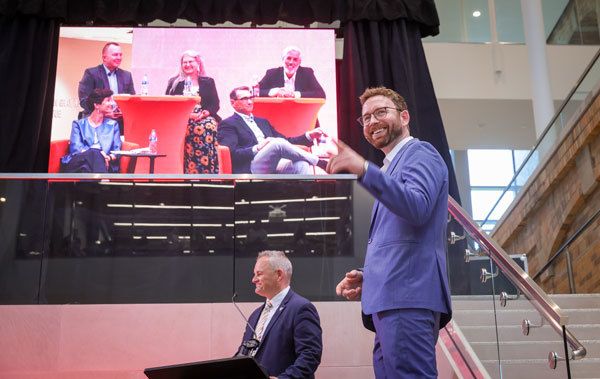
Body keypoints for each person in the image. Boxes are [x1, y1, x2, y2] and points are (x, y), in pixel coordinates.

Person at [328, 87, 452, 378]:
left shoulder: (420, 153)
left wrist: (363, 169)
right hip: (390, 301)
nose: (372, 121)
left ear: (404, 116)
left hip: (407, 298)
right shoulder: (390, 169)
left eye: (381, 112)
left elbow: (418, 207)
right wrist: (369, 276)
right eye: (366, 117)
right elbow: (401, 240)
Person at [239, 250, 322, 379]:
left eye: (259, 274)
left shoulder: (301, 308)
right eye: (254, 274)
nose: (253, 280)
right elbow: (243, 356)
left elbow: (310, 355)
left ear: (278, 275)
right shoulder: (255, 315)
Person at [217, 86, 328, 174]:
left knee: (301, 164)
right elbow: (232, 154)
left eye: (251, 98)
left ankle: (304, 199)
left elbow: (286, 142)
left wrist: (309, 135)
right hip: (251, 166)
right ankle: (319, 162)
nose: (250, 102)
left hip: (274, 163)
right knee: (276, 142)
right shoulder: (228, 124)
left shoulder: (262, 122)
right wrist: (257, 148)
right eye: (244, 99)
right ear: (233, 102)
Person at [165, 50, 220, 173]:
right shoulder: (174, 82)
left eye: (191, 61)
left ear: (198, 63)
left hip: (204, 116)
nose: (187, 65)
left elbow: (215, 104)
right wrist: (188, 115)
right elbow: (169, 103)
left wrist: (205, 112)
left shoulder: (208, 81)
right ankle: (190, 169)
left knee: (209, 126)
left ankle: (207, 169)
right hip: (182, 117)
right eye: (184, 62)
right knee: (191, 129)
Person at [78, 42, 135, 134]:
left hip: (119, 124)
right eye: (115, 55)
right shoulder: (91, 73)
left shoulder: (127, 75)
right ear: (104, 57)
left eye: (120, 55)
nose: (119, 58)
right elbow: (84, 100)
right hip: (97, 124)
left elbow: (132, 99)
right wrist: (103, 111)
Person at [61, 88, 121, 173]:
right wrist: (98, 154)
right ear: (96, 105)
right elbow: (76, 149)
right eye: (108, 100)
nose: (111, 103)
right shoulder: (78, 124)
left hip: (102, 163)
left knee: (87, 168)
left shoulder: (113, 125)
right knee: (94, 153)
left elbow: (117, 150)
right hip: (78, 161)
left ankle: (95, 185)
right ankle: (104, 183)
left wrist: (108, 157)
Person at [258, 46, 325, 99]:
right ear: (283, 59)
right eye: (288, 58)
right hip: (277, 112)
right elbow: (254, 92)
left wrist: (294, 94)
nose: (291, 62)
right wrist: (274, 92)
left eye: (295, 59)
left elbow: (321, 94)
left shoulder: (307, 73)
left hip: (302, 112)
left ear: (299, 62)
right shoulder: (272, 73)